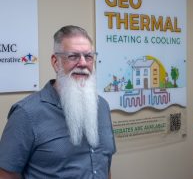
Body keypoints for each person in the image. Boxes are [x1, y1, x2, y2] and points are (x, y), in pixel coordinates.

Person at [0, 25, 116, 178]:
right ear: (56, 62)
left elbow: (104, 164)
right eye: (73, 56)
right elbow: (6, 173)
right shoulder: (26, 113)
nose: (83, 63)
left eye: (88, 56)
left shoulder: (101, 106)